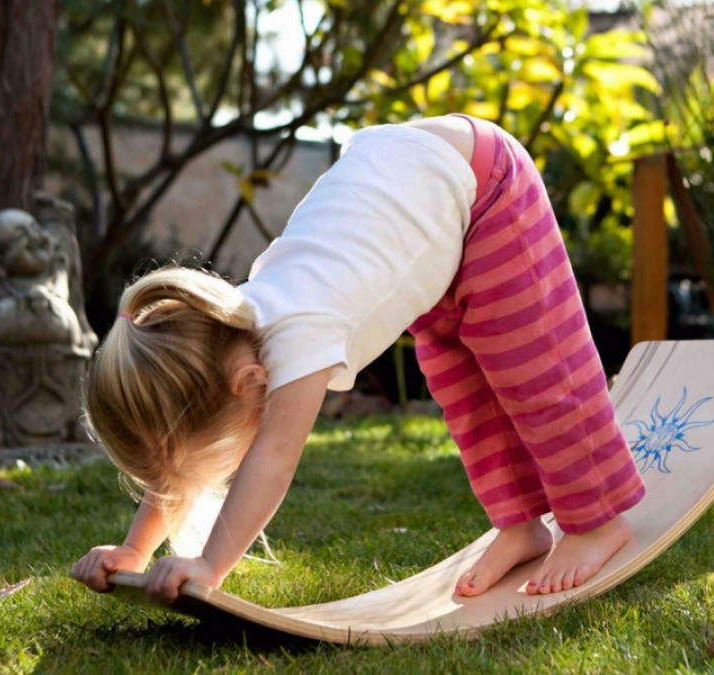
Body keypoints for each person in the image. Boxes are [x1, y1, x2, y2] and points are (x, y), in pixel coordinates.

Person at [71, 115, 646, 603]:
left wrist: (210, 567)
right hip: (424, 209)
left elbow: (272, 460)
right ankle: (521, 526)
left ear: (248, 384)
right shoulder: (226, 334)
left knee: (536, 372)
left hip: (486, 186)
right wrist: (135, 548)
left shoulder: (295, 334)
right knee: (467, 394)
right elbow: (177, 456)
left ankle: (595, 520)